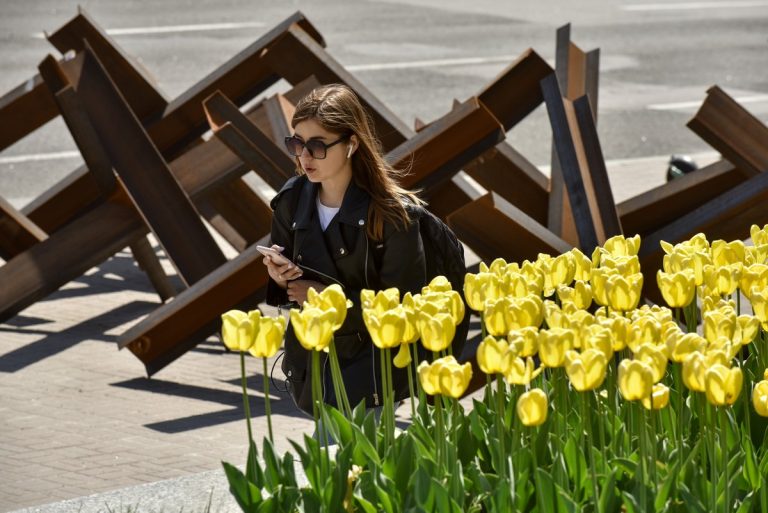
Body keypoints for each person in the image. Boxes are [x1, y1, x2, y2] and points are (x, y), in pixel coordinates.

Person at [263, 84, 427, 415]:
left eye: (318, 146)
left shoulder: (393, 215)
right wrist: (279, 278)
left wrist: (328, 299)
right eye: (297, 144)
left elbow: (405, 308)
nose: (304, 157)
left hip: (371, 370)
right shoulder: (291, 201)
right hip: (313, 365)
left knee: (364, 461)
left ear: (352, 144)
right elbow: (289, 295)